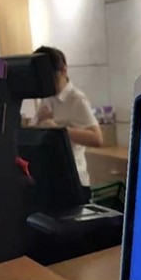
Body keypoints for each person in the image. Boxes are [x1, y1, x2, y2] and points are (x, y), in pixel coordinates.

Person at [33, 46, 103, 199]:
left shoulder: (76, 99)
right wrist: (38, 121)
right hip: (49, 178)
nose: (47, 84)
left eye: (51, 77)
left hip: (73, 181)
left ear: (63, 71)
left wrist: (58, 129)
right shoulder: (47, 97)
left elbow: (97, 138)